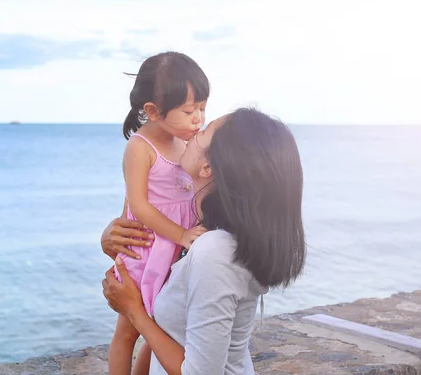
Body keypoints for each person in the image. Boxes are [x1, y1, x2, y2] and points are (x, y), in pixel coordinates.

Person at [102, 108, 306, 374]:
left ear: (207, 167)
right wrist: (112, 238)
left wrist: (134, 312)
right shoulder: (203, 232)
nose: (195, 130)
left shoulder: (215, 252)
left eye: (205, 130)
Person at [109, 51, 210, 375]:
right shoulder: (140, 147)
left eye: (203, 109)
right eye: (188, 111)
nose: (198, 118)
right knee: (128, 332)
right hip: (148, 249)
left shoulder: (187, 143)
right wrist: (181, 234)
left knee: (163, 329)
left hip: (176, 252)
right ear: (152, 111)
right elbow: (138, 205)